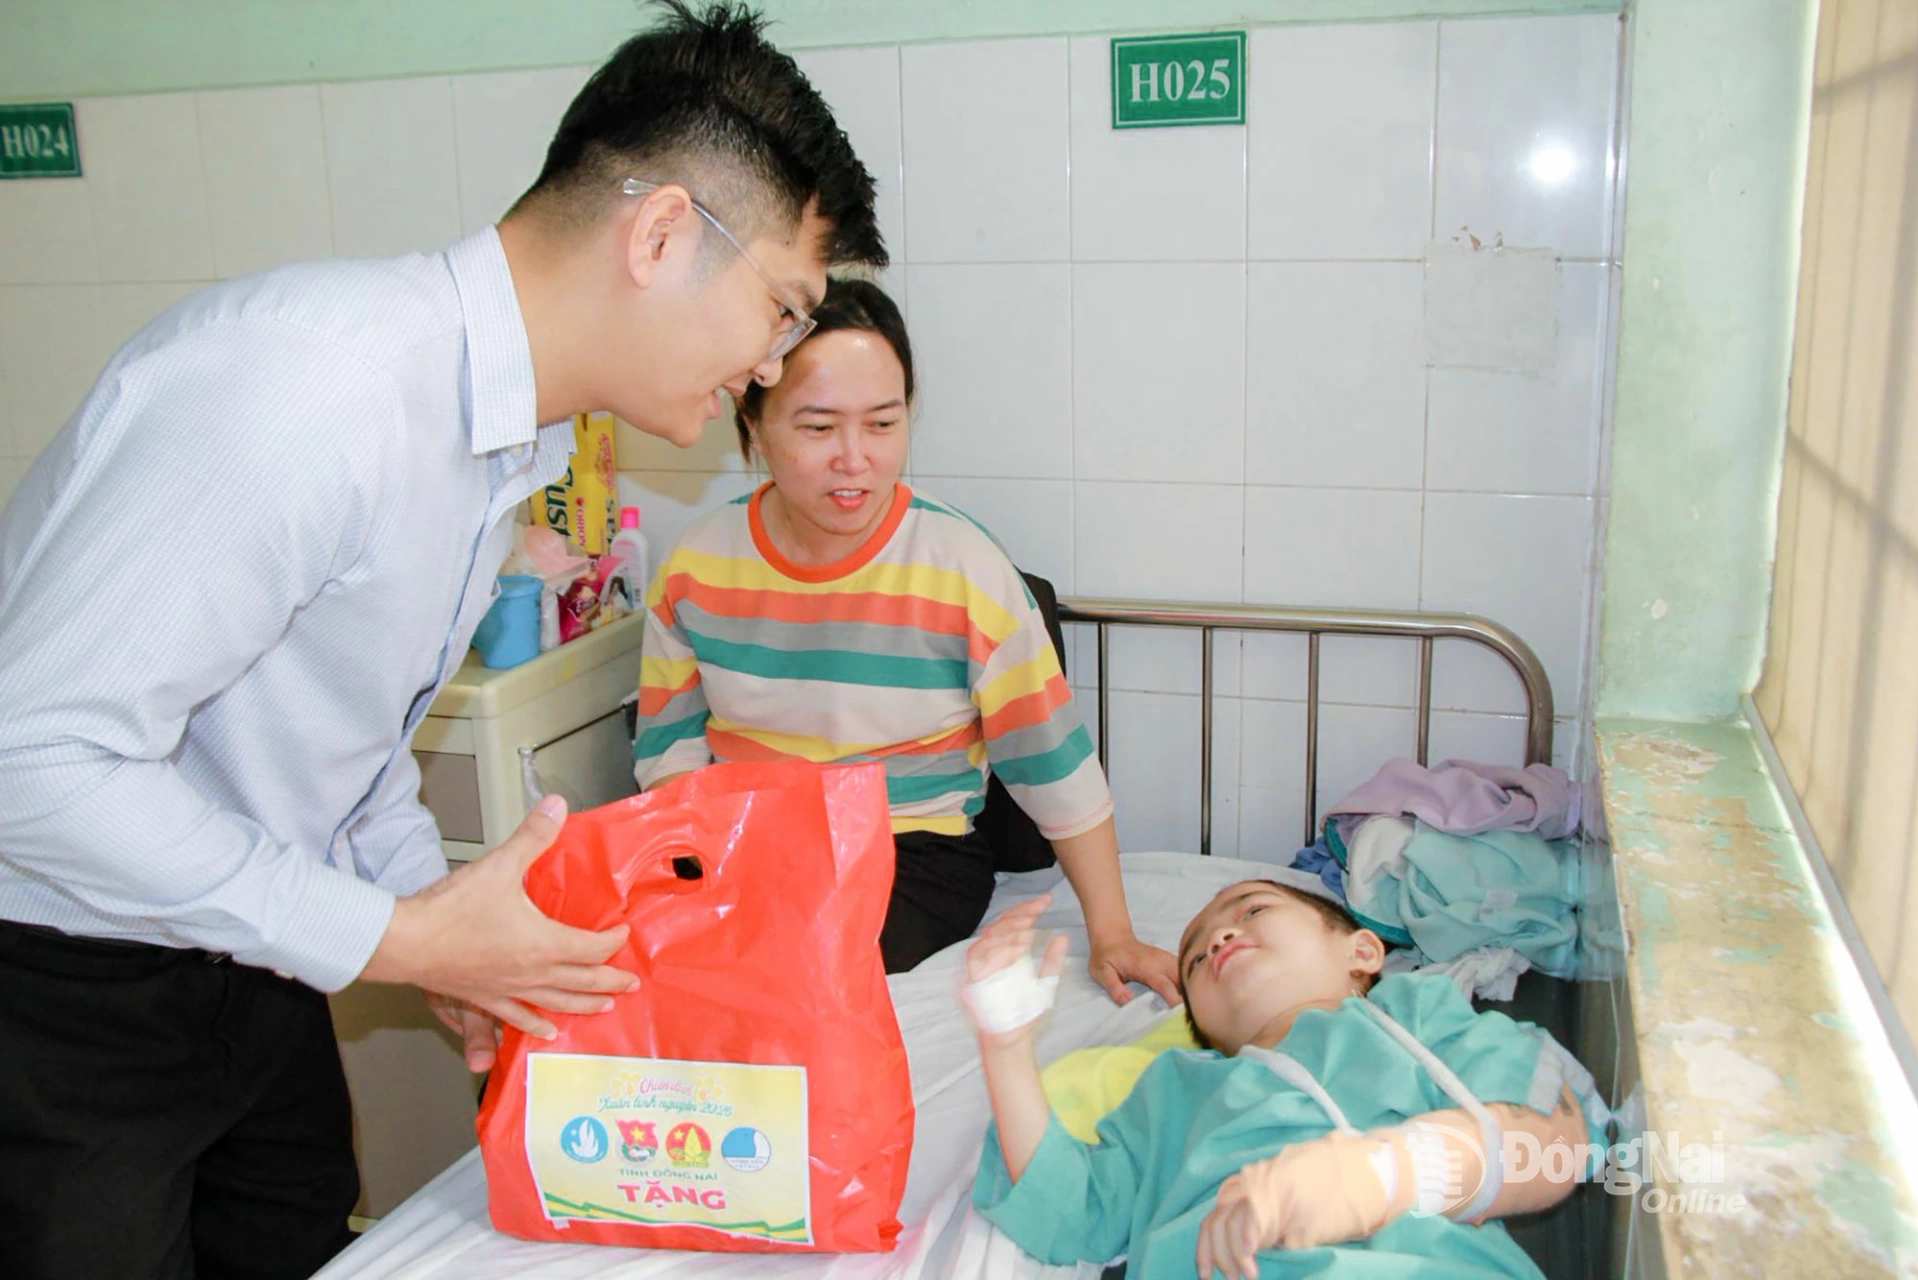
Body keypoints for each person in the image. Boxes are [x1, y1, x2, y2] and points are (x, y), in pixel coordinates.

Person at [0, 5, 884, 1278]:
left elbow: (345, 741)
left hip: (251, 954)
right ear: (660, 234)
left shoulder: (502, 440)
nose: (767, 366)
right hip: (64, 988)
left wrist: (439, 922)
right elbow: (33, 761)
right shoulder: (310, 390)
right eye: (783, 311)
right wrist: (401, 938)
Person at [631, 278, 1180, 1002]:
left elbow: (1051, 763)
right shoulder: (698, 564)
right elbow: (669, 751)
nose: (854, 458)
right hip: (749, 841)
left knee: (794, 966)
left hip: (909, 852)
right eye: (818, 428)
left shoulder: (962, 568)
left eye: (883, 424)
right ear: (753, 424)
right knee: (632, 954)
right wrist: (696, 868)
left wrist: (1112, 932)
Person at [962, 881, 1611, 1279]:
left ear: (1362, 952)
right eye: (1194, 958)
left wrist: (1383, 1174)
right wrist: (1005, 1046)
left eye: (1252, 910)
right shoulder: (1172, 1092)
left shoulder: (1415, 1017)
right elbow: (1072, 1211)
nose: (1219, 936)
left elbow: (1553, 1140)